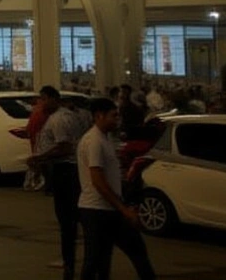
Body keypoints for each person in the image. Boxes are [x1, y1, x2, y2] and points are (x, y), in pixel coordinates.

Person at [77, 98, 156, 280]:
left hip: (108, 209)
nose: (117, 119)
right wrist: (123, 209)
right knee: (96, 260)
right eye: (113, 116)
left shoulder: (105, 138)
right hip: (96, 211)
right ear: (99, 116)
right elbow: (97, 180)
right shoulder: (94, 141)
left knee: (117, 255)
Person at [29, 87, 91, 279]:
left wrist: (40, 157)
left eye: (43, 99)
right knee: (70, 219)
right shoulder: (66, 115)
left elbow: (64, 147)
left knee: (67, 220)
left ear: (53, 99)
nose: (40, 103)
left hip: (66, 171)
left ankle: (69, 262)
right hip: (67, 171)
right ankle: (71, 259)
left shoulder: (58, 119)